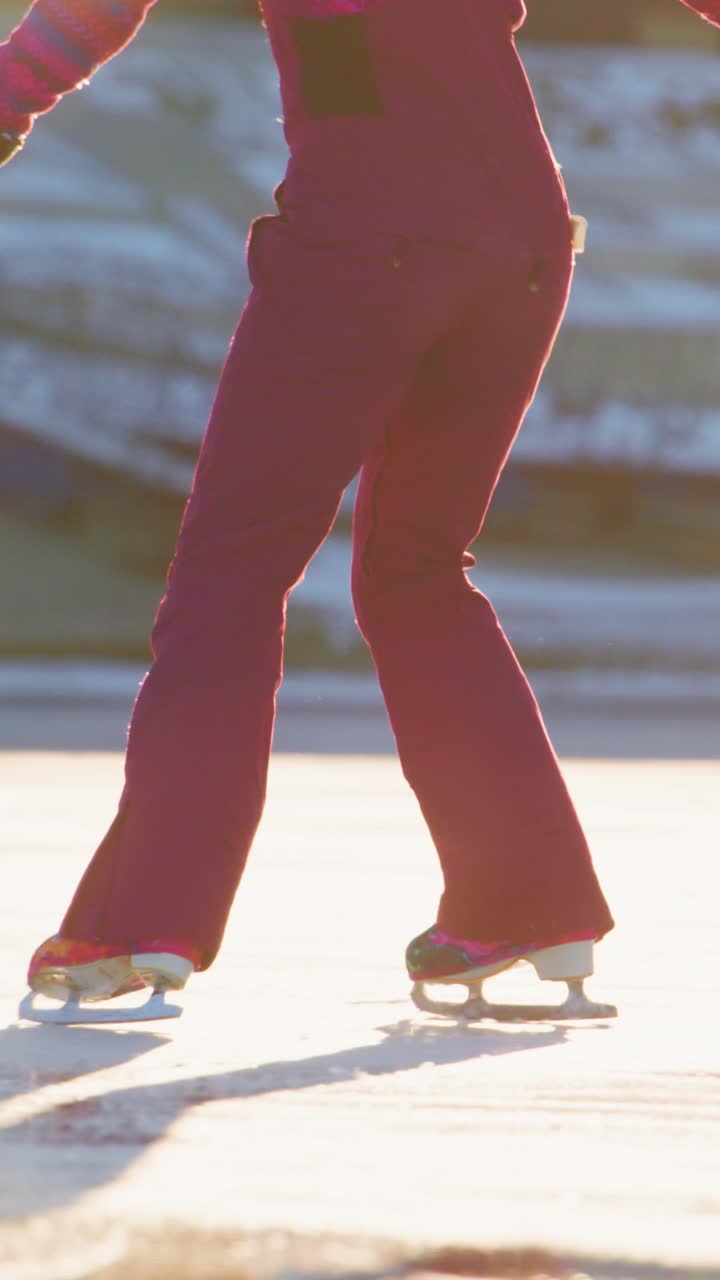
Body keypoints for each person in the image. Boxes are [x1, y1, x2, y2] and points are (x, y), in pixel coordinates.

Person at [3, 0, 717, 1020]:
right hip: (520, 243)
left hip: (365, 241)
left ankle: (140, 921)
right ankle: (525, 897)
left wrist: (8, 98)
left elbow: (98, 8)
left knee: (230, 574)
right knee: (418, 567)